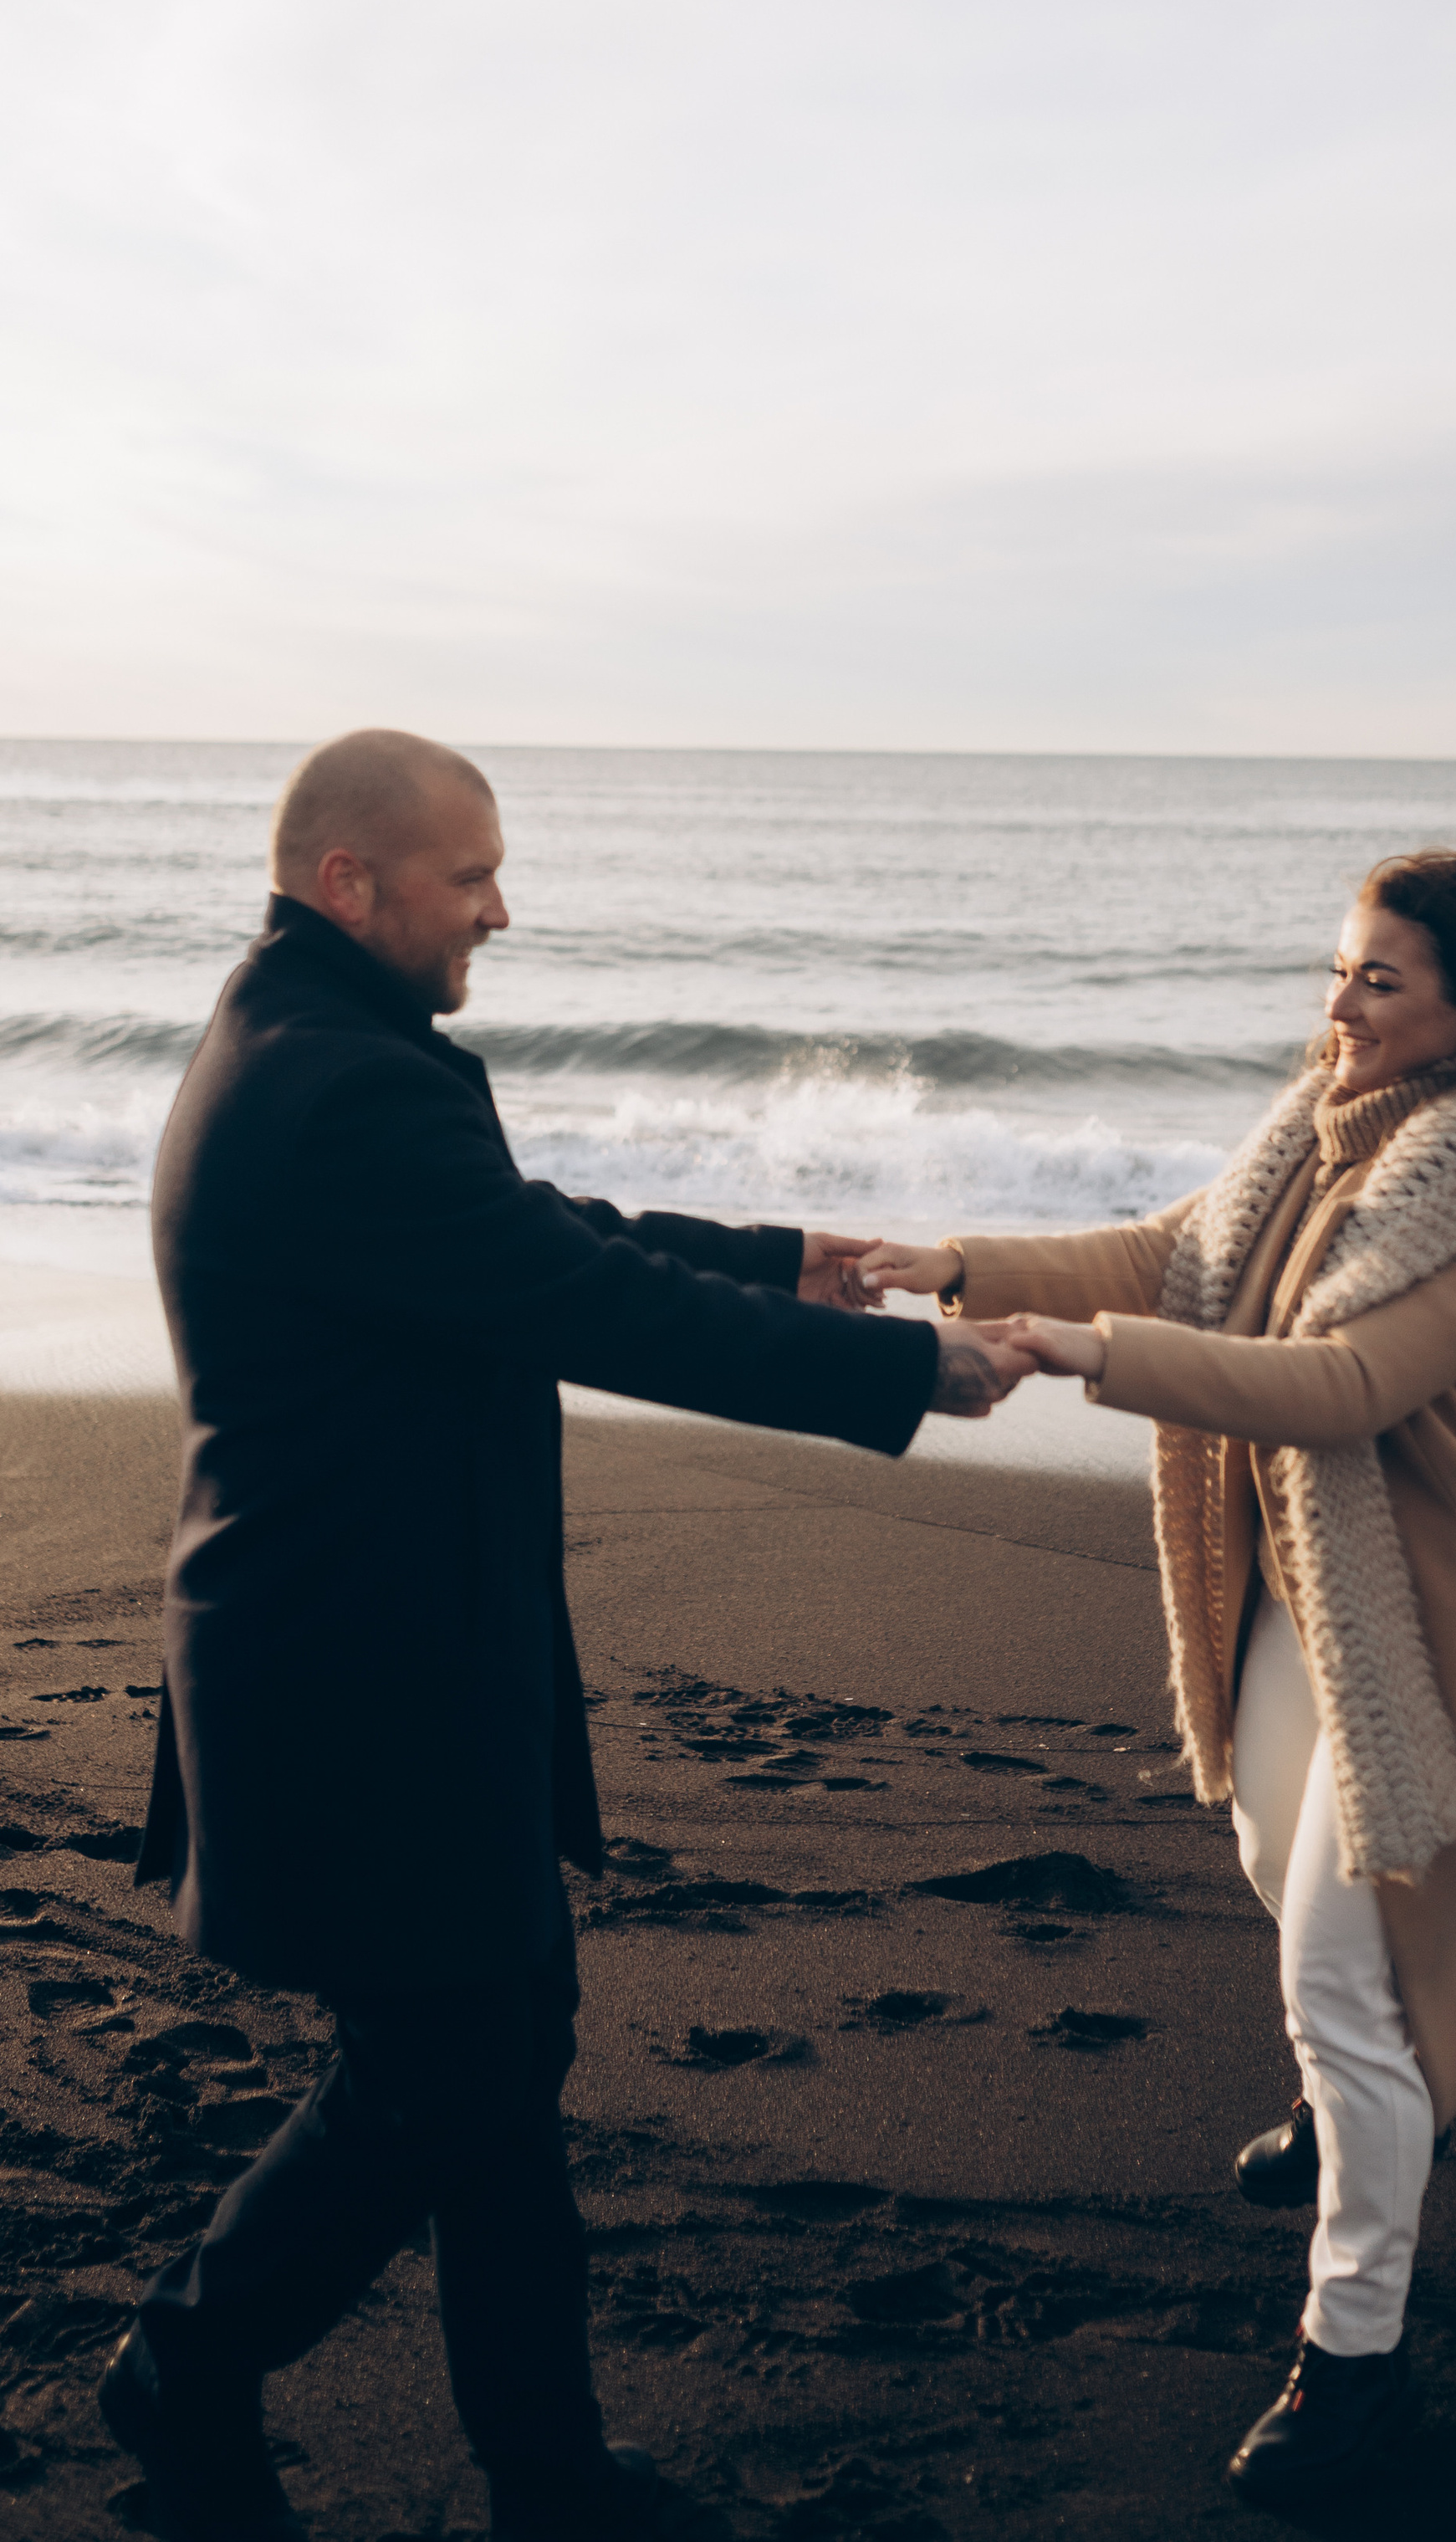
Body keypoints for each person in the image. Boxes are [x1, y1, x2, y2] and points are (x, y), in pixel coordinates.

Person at [100, 729, 1029, 2542]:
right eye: (469, 879)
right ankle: (187, 2375)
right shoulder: (342, 1083)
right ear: (346, 883)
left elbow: (524, 1241)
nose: (499, 912)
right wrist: (898, 1362)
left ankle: (543, 2475)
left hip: (384, 1661)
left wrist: (778, 1260)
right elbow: (581, 1302)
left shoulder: (315, 1046)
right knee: (442, 2075)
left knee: (495, 2052)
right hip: (358, 1685)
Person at [858, 851, 1456, 2505]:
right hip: (1299, 1576)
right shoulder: (1320, 1123)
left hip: (1446, 1611)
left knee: (1344, 1980)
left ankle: (1351, 2369)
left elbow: (1339, 1385)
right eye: (1335, 971)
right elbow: (1174, 1251)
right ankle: (1357, 2117)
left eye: (1375, 982)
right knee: (1275, 1860)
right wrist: (959, 1266)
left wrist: (1074, 1357)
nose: (1334, 1007)